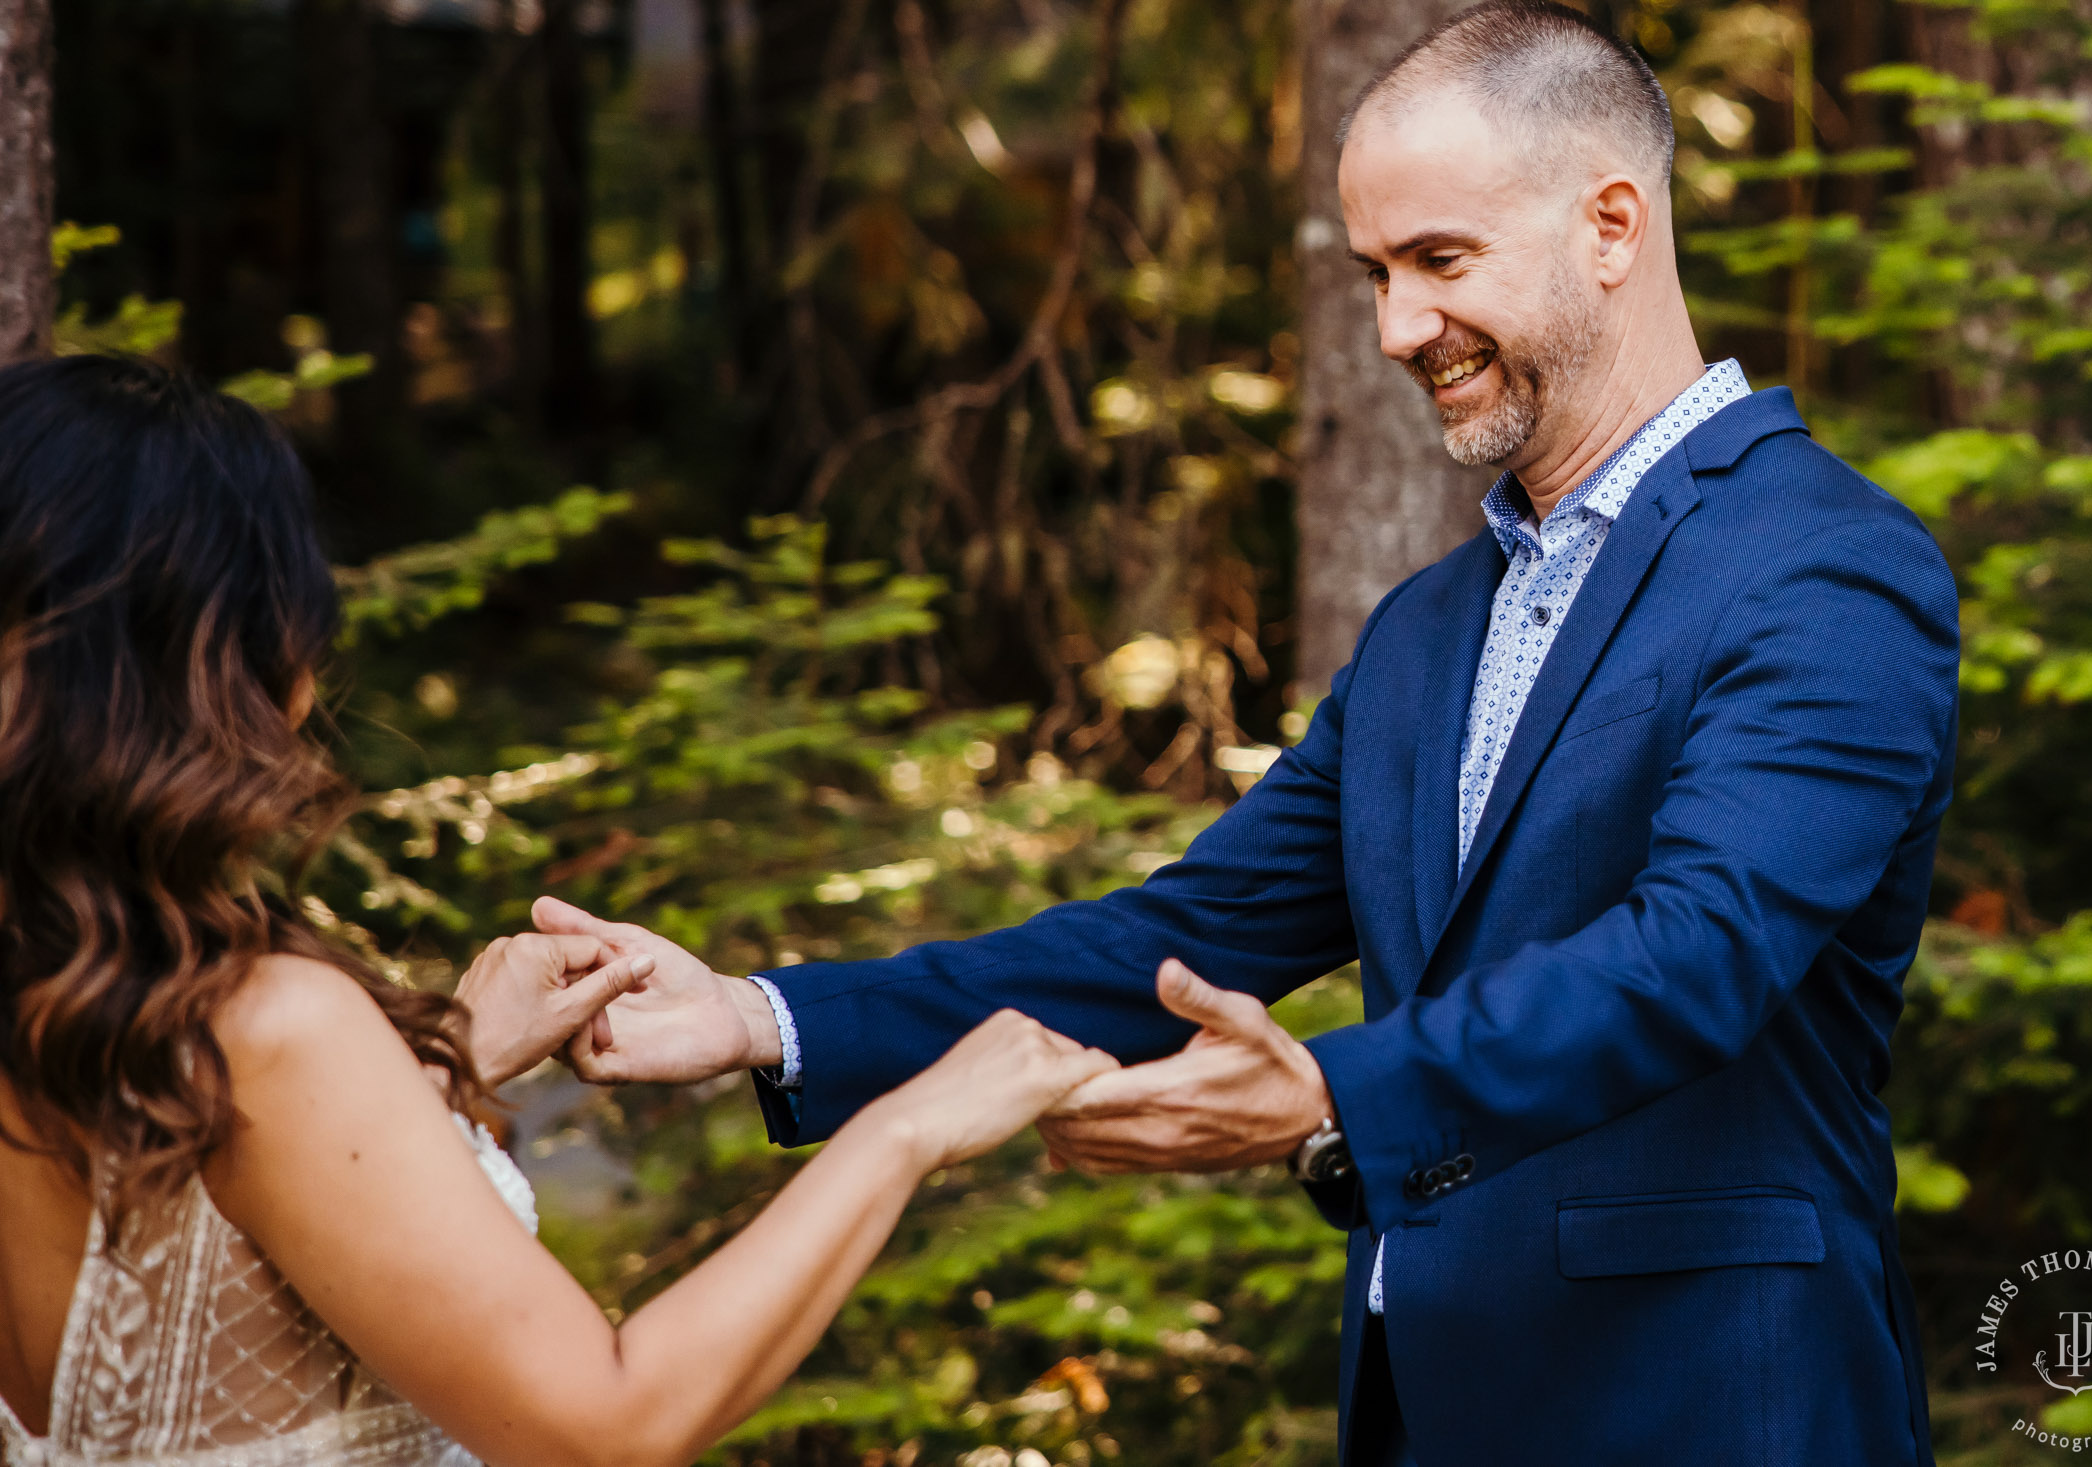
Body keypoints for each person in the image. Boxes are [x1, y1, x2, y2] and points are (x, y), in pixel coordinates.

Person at [536, 4, 1959, 1464]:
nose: (1399, 328)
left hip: (1718, 1404)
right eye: (1377, 274)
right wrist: (758, 1017)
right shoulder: (1423, 627)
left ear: (1612, 224)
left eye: (1440, 261)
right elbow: (1179, 937)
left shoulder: (1821, 563)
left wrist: (1337, 1088)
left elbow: (1697, 954)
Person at [0, 354, 1116, 1467]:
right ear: (235, 658)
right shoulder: (266, 1029)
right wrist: (911, 1125)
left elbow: (209, 1253)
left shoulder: (74, 999)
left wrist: (441, 1064)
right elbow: (610, 1424)